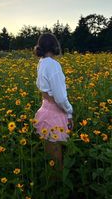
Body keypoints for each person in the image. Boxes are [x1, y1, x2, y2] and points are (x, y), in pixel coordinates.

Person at [33, 32, 74, 172]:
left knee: (50, 156)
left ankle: (51, 184)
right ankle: (58, 188)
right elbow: (60, 98)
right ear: (55, 46)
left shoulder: (42, 63)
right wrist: (69, 112)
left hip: (45, 110)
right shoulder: (53, 65)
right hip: (55, 113)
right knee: (57, 159)